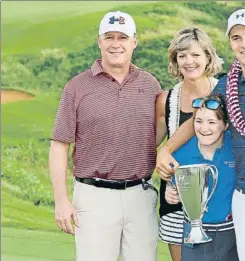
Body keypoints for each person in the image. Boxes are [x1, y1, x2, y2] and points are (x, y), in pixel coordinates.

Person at [156, 8, 245, 261]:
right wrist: (166, 149)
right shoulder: (227, 86)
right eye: (236, 38)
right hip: (244, 203)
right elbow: (198, 121)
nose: (244, 43)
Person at [49, 11, 162, 261]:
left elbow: (158, 131)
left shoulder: (150, 84)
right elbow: (59, 145)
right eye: (109, 37)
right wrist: (61, 201)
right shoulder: (77, 87)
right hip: (94, 197)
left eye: (122, 37)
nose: (115, 43)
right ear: (99, 41)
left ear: (134, 41)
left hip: (140, 195)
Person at [155, 27, 223, 261]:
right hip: (175, 197)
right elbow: (152, 145)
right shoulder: (167, 99)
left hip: (220, 195)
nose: (189, 61)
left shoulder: (224, 92)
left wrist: (166, 149)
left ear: (207, 57)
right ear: (175, 60)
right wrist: (159, 161)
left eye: (195, 54)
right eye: (182, 55)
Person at [164, 94, 238, 261]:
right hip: (194, 233)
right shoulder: (180, 153)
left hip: (231, 234)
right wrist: (170, 193)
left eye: (212, 122)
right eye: (199, 121)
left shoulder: (237, 148)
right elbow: (173, 187)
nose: (204, 129)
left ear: (225, 125)